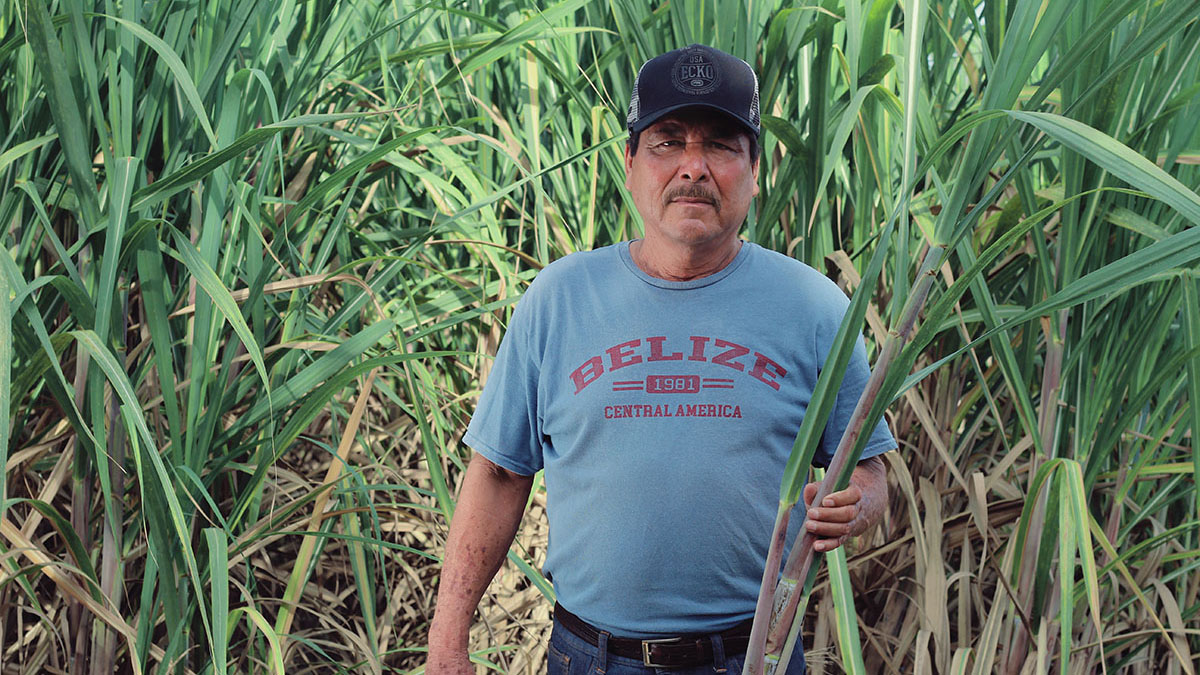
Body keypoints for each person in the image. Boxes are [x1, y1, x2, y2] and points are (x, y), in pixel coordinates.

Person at [426, 44, 895, 674]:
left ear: (756, 169)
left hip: (753, 656)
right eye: (668, 141)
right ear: (630, 163)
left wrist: (852, 505)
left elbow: (871, 476)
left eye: (722, 145)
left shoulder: (814, 308)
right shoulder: (559, 299)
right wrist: (447, 644)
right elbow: (499, 475)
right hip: (588, 658)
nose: (693, 167)